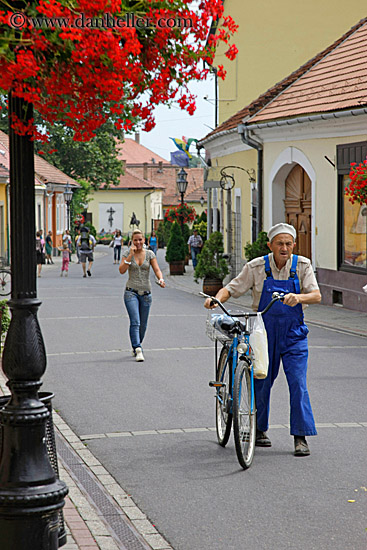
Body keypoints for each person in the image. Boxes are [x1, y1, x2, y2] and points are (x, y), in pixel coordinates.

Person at [204, 223, 321, 457]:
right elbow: (232, 288)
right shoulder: (256, 267)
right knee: (261, 380)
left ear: (294, 245)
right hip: (263, 333)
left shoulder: (303, 265)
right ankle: (259, 429)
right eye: (280, 243)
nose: (284, 248)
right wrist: (216, 299)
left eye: (288, 244)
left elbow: (316, 295)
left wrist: (297, 297)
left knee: (298, 383)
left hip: (294, 333)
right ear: (270, 245)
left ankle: (300, 436)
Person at [119, 229, 165, 362]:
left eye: (140, 239)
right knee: (135, 322)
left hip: (146, 294)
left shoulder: (150, 254)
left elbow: (156, 269)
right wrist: (130, 256)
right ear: (131, 241)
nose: (138, 242)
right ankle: (138, 348)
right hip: (131, 292)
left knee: (143, 325)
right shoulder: (127, 253)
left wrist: (161, 279)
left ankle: (136, 345)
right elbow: (122, 270)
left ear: (144, 240)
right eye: (135, 240)